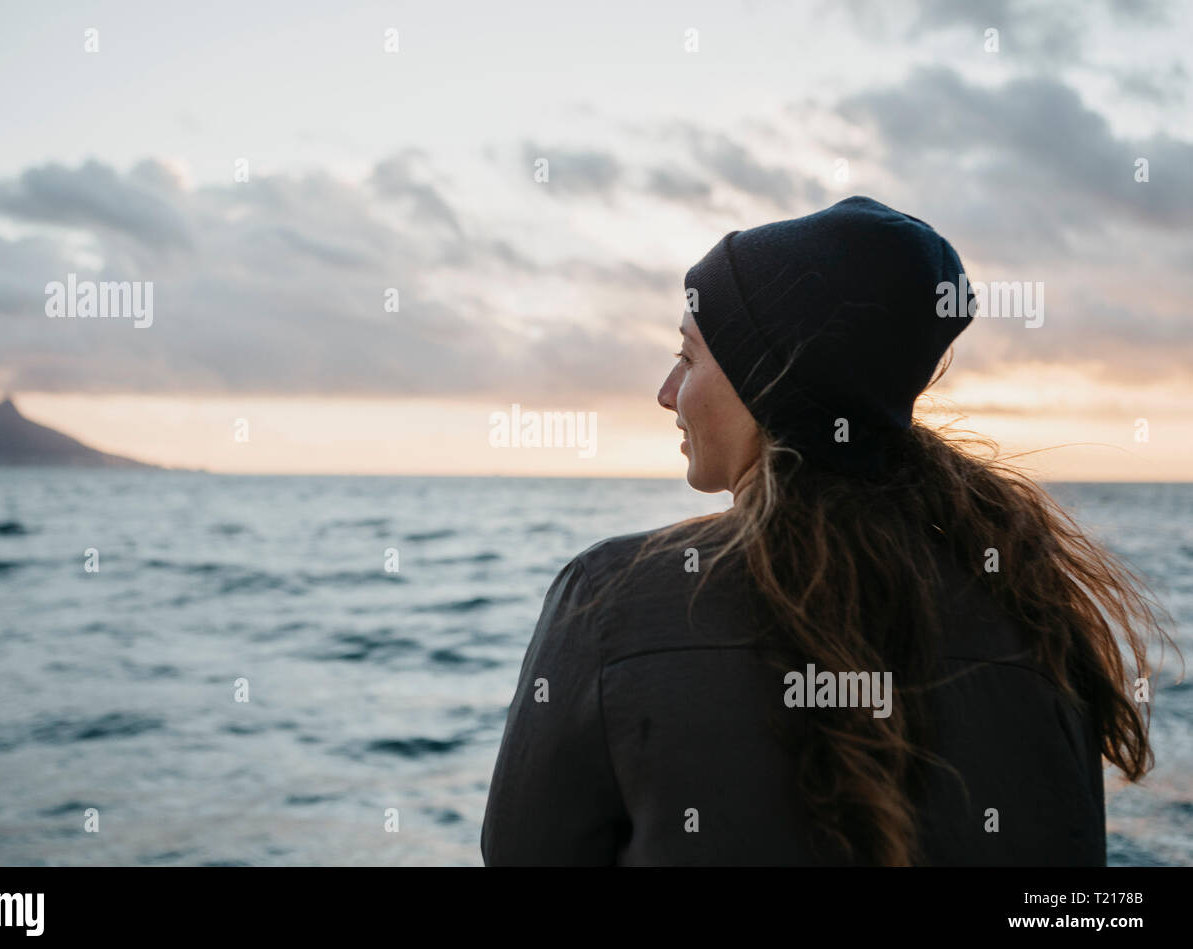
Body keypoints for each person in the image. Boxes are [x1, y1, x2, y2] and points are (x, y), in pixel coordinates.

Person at [480, 196, 1178, 866]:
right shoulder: (1034, 611)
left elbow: (523, 854)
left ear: (764, 382)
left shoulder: (610, 600)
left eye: (688, 357)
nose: (667, 391)